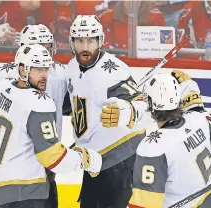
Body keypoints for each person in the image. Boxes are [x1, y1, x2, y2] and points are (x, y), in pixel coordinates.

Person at [0, 44, 102, 208]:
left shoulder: (1, 89)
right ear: (22, 69)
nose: (44, 75)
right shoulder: (39, 104)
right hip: (26, 192)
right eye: (37, 69)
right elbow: (52, 158)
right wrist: (86, 159)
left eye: (46, 69)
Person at [65, 15, 147, 208]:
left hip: (120, 160)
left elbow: (144, 108)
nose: (85, 47)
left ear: (100, 41)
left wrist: (126, 113)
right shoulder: (71, 68)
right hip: (91, 160)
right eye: (80, 41)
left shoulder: (114, 72)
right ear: (72, 42)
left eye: (90, 41)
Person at [0, 24, 68, 208]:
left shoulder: (61, 74)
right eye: (40, 48)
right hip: (12, 167)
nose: (45, 55)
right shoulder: (0, 78)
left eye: (47, 48)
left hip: (45, 164)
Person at [127, 73, 211, 208]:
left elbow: (145, 203)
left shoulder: (153, 147)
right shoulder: (198, 119)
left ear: (150, 104)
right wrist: (194, 99)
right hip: (210, 203)